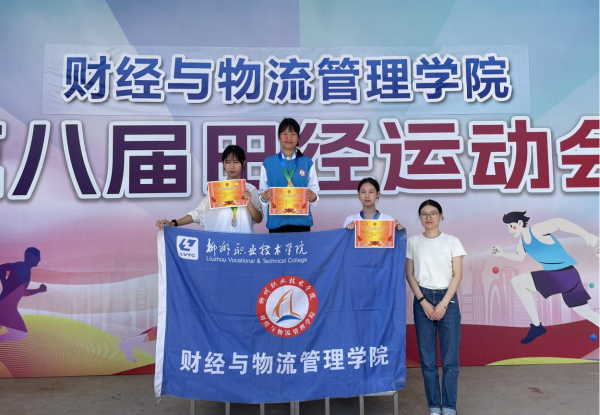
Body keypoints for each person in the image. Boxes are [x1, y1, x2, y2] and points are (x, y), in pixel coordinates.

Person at [491, 212, 600, 344]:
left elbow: (559, 222)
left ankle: (537, 326)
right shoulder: (523, 241)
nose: (510, 230)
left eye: (511, 226)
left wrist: (586, 235)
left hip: (561, 275)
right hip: (570, 276)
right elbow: (519, 256)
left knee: (518, 282)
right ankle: (537, 327)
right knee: (585, 312)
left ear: (520, 223)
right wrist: (502, 253)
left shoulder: (537, 230)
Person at [405, 200, 466, 415]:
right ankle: (434, 407)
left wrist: (443, 302)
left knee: (450, 361)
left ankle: (449, 407)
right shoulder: (412, 242)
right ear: (419, 218)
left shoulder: (452, 241)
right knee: (428, 361)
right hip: (422, 298)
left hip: (447, 300)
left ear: (441, 216)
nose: (428, 217)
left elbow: (457, 275)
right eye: (424, 214)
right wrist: (423, 301)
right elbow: (409, 274)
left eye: (433, 213)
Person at [156, 144, 263, 232]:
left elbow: (259, 219)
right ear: (223, 164)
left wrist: (249, 204)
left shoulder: (250, 189)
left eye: (236, 162)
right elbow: (197, 214)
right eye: (227, 162)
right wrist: (173, 223)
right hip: (222, 243)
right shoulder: (217, 190)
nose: (231, 166)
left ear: (243, 163)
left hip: (244, 244)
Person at [259, 118, 319, 233]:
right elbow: (262, 193)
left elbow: (314, 191)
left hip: (301, 224)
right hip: (276, 224)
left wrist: (313, 198)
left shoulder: (307, 162)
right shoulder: (268, 163)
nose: (289, 137)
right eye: (285, 134)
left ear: (298, 137)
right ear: (279, 137)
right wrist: (263, 198)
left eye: (293, 134)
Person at [0, 247, 47, 342]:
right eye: (38, 256)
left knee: (20, 333)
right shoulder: (22, 267)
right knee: (20, 333)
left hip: (7, 307)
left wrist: (39, 290)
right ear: (30, 256)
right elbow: (1, 267)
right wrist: (5, 284)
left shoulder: (25, 269)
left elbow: (21, 292)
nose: (39, 259)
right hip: (6, 307)